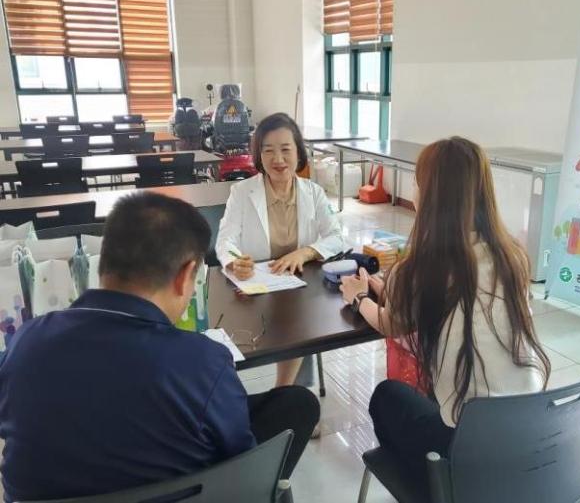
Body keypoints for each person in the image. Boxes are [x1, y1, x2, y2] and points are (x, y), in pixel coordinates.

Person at [0, 192, 319, 502]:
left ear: (103, 264)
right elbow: (241, 456)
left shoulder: (25, 343)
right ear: (185, 276)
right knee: (293, 405)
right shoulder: (203, 362)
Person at [340, 136, 551, 490]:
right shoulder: (512, 256)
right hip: (531, 435)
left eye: (417, 183)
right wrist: (389, 289)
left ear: (430, 196)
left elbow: (391, 324)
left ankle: (436, 487)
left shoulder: (423, 267)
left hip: (470, 453)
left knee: (387, 396)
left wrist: (359, 296)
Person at [216, 112, 344, 386]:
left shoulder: (313, 192)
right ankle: (279, 394)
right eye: (268, 150)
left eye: (286, 149)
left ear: (298, 153)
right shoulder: (242, 192)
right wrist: (234, 262)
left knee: (300, 323)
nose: (278, 159)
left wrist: (305, 252)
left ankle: (286, 392)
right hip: (255, 289)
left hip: (298, 287)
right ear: (258, 155)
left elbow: (335, 237)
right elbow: (225, 241)